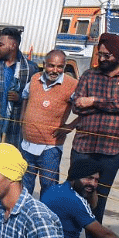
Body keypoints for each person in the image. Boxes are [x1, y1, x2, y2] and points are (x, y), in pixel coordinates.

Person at [69, 33, 119, 238]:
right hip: (83, 145)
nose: (101, 59)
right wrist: (112, 105)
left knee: (99, 197)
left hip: (112, 149)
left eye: (106, 55)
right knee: (75, 194)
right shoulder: (88, 76)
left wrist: (93, 101)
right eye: (100, 54)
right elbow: (76, 106)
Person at [18, 49, 78, 197]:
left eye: (60, 67)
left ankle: (47, 218)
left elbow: (86, 110)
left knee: (49, 186)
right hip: (27, 144)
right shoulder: (35, 79)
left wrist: (70, 127)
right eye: (51, 66)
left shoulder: (72, 84)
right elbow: (25, 96)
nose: (55, 70)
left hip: (50, 147)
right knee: (25, 185)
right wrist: (23, 118)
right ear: (44, 64)